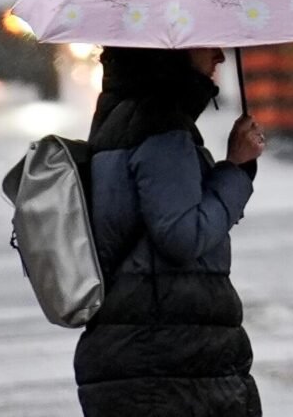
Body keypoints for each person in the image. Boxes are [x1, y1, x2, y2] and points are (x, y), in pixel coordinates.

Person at [75, 47, 264, 416]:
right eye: (207, 42)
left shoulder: (124, 115)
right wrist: (236, 169)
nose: (220, 55)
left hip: (148, 349)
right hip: (169, 356)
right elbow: (183, 236)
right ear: (171, 51)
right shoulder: (159, 126)